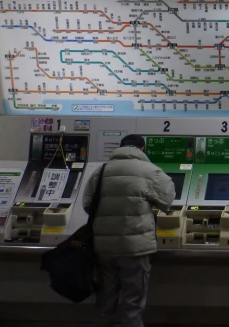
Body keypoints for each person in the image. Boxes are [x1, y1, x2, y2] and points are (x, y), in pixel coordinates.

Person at [83, 134, 175, 327]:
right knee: (132, 303)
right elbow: (167, 200)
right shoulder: (151, 171)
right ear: (142, 149)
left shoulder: (101, 171)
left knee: (105, 301)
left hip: (104, 248)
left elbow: (87, 204)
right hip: (135, 249)